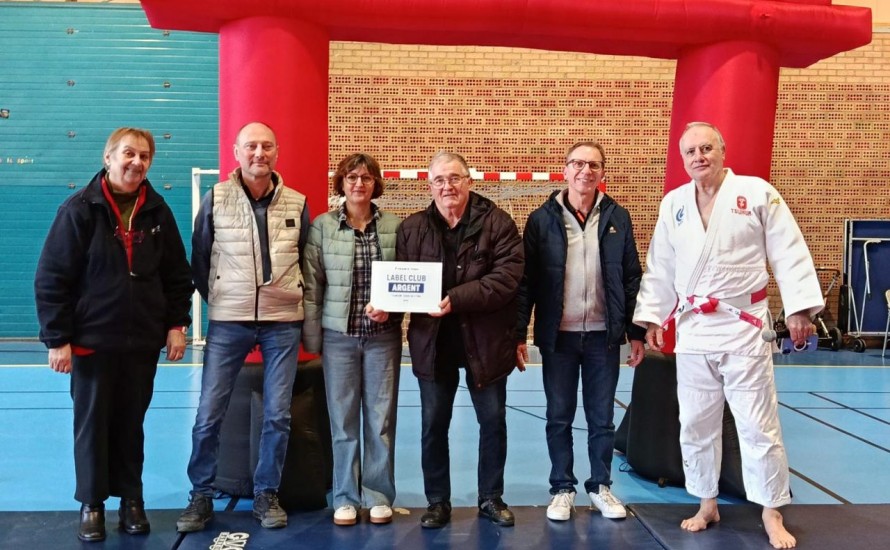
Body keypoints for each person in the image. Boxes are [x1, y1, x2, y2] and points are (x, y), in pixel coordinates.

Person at [633, 122, 823, 549]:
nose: (698, 157)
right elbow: (661, 264)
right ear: (682, 160)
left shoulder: (756, 193)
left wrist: (798, 310)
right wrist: (651, 318)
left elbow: (788, 249)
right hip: (695, 328)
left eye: (706, 148)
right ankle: (706, 502)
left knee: (757, 424)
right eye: (690, 152)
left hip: (744, 325)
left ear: (722, 151)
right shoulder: (674, 204)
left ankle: (772, 510)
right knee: (696, 423)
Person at [34, 127, 193, 543]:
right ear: (108, 158)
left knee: (131, 425)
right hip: (91, 343)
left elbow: (177, 275)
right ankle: (92, 504)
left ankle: (131, 500)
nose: (136, 162)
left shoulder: (158, 212)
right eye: (128, 154)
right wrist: (57, 338)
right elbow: (52, 278)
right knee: (92, 427)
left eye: (144, 156)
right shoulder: (78, 210)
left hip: (141, 343)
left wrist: (177, 325)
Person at [176, 121, 310, 532]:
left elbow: (305, 257)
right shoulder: (216, 199)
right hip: (228, 321)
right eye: (250, 146)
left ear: (276, 152)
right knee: (208, 413)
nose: (259, 153)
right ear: (236, 152)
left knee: (278, 414)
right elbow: (199, 259)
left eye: (266, 146)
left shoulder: (297, 203)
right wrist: (220, 296)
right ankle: (200, 495)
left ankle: (266, 493)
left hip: (282, 323)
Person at [515, 141, 646, 522]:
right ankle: (562, 488)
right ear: (565, 169)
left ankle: (600, 486)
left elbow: (632, 277)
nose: (585, 171)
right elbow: (526, 282)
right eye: (578, 164)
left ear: (602, 172)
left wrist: (636, 331)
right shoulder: (541, 219)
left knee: (601, 417)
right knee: (559, 415)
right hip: (559, 337)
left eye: (593, 165)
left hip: (604, 336)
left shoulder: (618, 216)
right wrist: (517, 334)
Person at [396, 151, 524, 529]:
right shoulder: (412, 228)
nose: (447, 186)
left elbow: (506, 279)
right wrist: (386, 305)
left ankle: (490, 497)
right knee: (433, 424)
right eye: (439, 180)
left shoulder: (498, 223)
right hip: (432, 343)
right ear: (429, 184)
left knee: (493, 421)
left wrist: (457, 299)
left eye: (455, 178)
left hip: (485, 343)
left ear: (469, 181)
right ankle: (437, 501)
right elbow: (402, 281)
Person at [302, 153, 403, 526]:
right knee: (342, 421)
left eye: (366, 177)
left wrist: (392, 311)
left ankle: (377, 495)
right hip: (338, 339)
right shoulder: (322, 227)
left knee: (380, 421)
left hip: (383, 339)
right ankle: (345, 495)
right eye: (351, 177)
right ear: (341, 184)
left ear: (376, 183)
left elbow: (406, 282)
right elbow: (312, 286)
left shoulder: (394, 226)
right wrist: (313, 339)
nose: (359, 183)